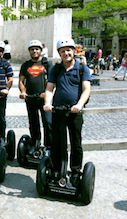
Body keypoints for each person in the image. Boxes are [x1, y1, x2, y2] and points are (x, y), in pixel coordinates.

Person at [44, 38, 91, 187]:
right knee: (57, 143)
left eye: (68, 50)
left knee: (76, 143)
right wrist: (47, 103)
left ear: (74, 51)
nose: (66, 53)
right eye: (63, 51)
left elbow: (86, 90)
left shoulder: (82, 68)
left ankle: (75, 172)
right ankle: (57, 169)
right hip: (58, 110)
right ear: (59, 53)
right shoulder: (56, 69)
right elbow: (49, 89)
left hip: (74, 112)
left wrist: (79, 104)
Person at [19, 40, 53, 153]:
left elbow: (53, 81)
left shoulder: (47, 64)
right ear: (29, 51)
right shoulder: (26, 65)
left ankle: (49, 146)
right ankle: (35, 143)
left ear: (41, 50)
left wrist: (46, 93)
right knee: (33, 123)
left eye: (37, 49)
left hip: (45, 99)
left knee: (48, 123)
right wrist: (23, 91)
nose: (34, 51)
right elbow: (21, 81)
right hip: (31, 98)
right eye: (32, 49)